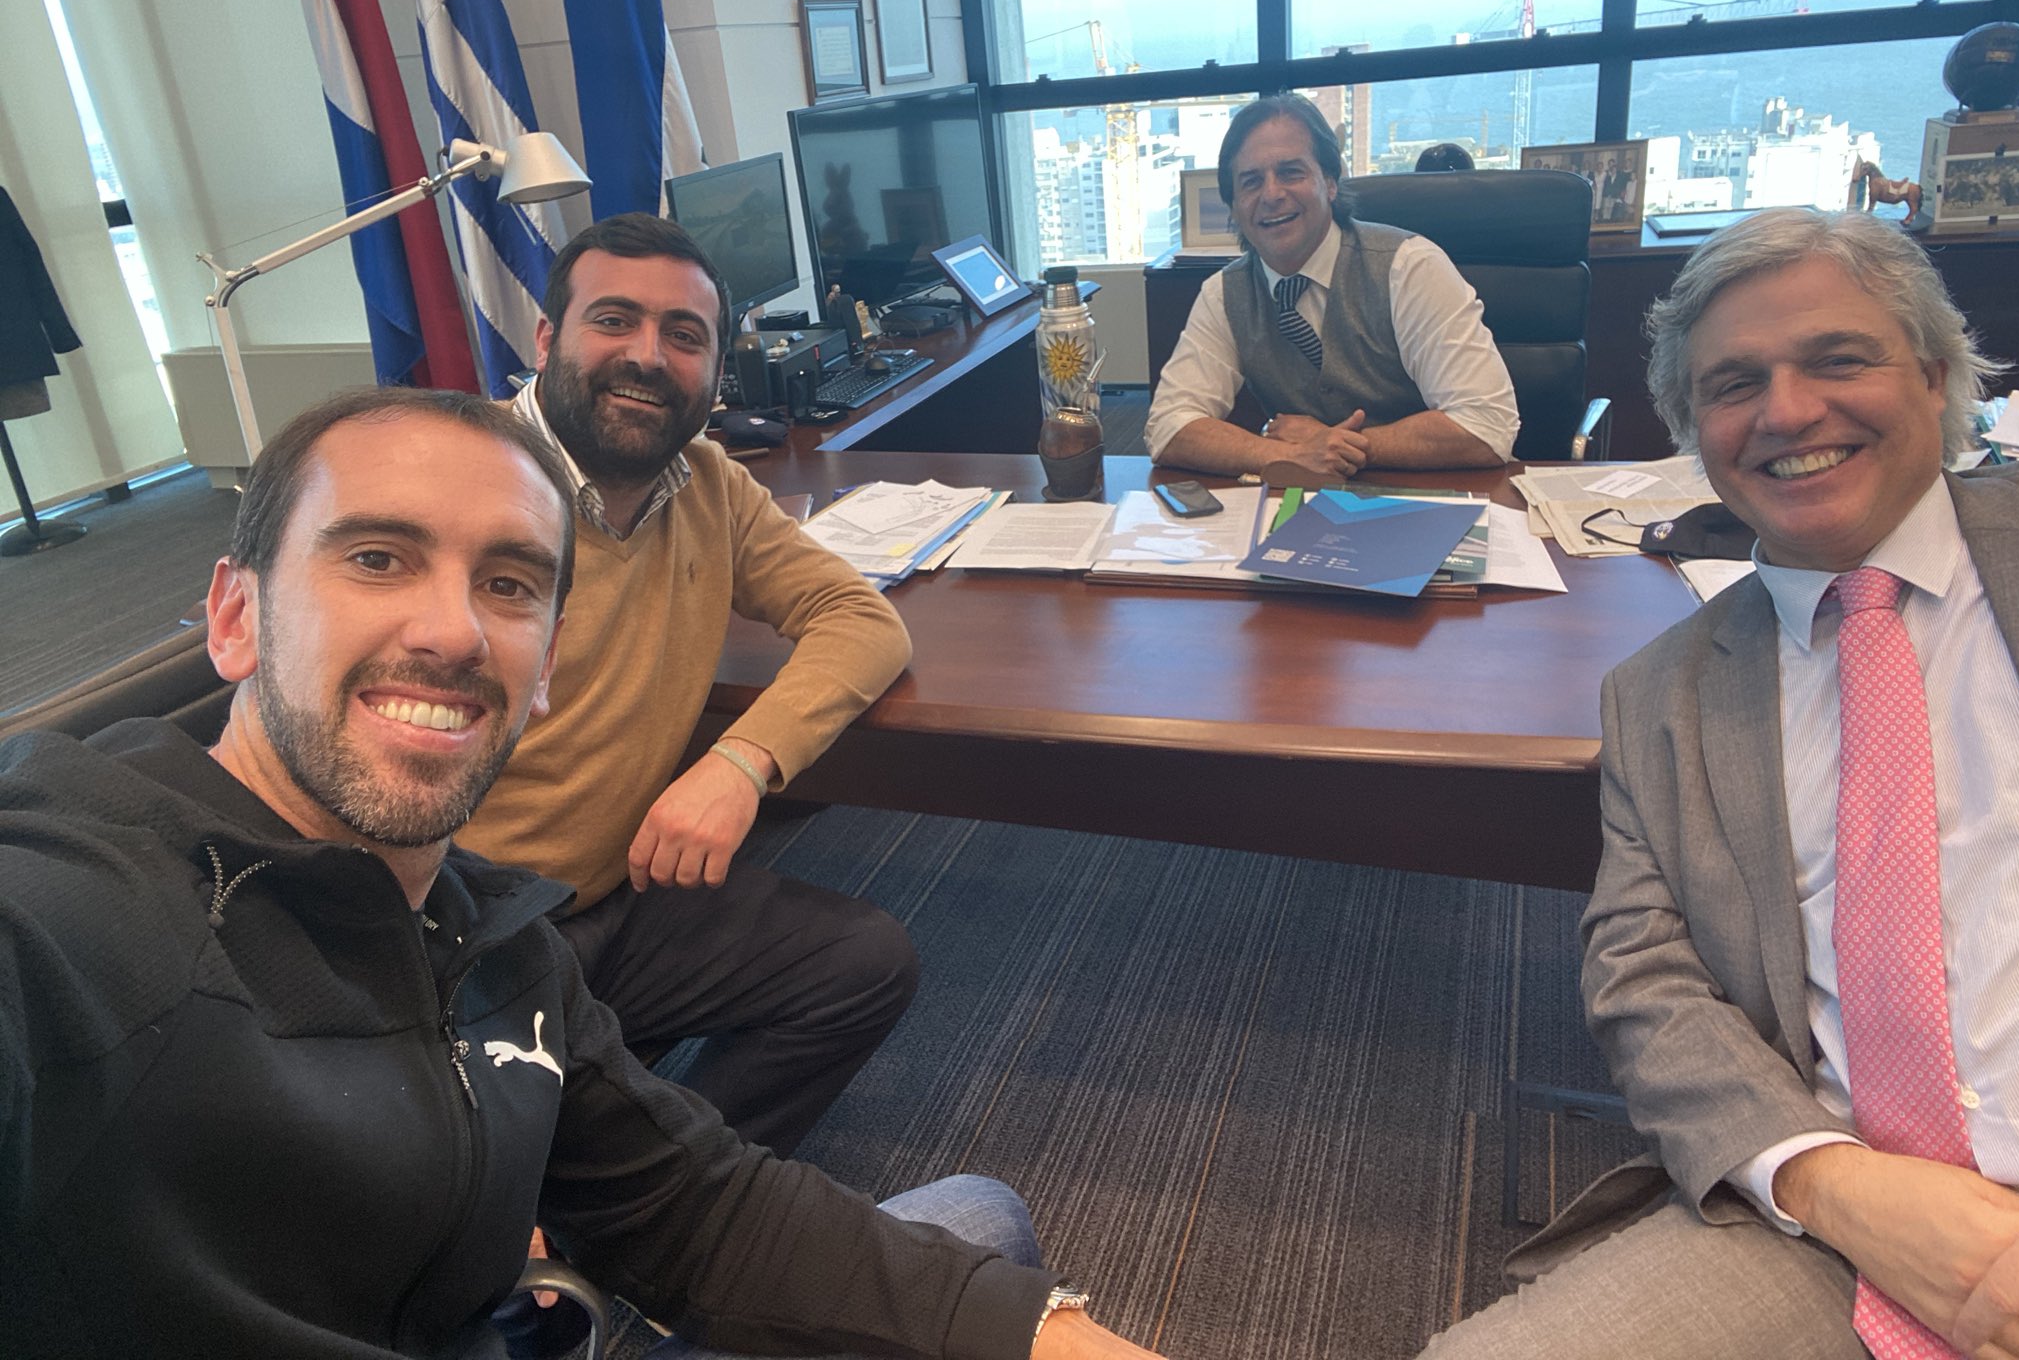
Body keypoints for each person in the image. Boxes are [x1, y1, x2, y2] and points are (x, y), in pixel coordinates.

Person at [0, 386, 1170, 1360]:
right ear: (236, 617)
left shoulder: (493, 940)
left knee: (986, 1234)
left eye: (508, 584)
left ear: (543, 663)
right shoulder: (86, 912)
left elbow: (697, 1208)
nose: (453, 631)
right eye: (376, 557)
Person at [1419, 207, 2019, 1360]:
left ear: (1934, 373)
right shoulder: (1659, 696)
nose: (1787, 412)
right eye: (1733, 383)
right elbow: (1641, 982)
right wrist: (1838, 1188)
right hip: (1834, 1222)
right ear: (1693, 432)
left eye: (1836, 358)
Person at [457, 213, 916, 1159]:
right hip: (469, 933)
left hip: (621, 899)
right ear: (547, 340)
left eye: (684, 335)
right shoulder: (459, 482)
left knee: (864, 965)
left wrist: (738, 764)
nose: (647, 357)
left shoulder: (706, 482)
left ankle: (650, 1190)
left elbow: (863, 620)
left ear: (715, 369)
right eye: (613, 320)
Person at [1144, 94, 1519, 479]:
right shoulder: (1225, 293)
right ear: (1235, 206)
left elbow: (1486, 425)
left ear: (1330, 182)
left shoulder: (1408, 267)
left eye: (1291, 172)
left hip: (1428, 498)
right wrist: (1281, 455)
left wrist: (1339, 445)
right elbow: (1168, 426)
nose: (1271, 194)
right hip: (1304, 507)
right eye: (1251, 182)